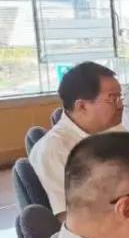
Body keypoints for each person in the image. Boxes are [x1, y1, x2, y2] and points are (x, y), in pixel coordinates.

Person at [30, 61, 123, 217]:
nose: (120, 105)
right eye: (112, 99)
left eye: (120, 97)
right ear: (82, 106)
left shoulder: (114, 129)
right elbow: (69, 218)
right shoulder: (55, 150)